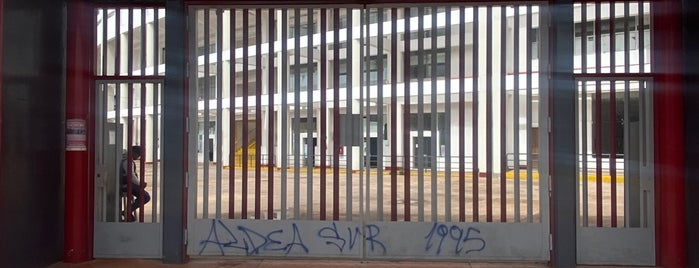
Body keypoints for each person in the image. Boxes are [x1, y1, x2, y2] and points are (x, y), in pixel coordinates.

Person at [120, 145, 151, 222]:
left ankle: (128, 212)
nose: (138, 157)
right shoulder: (128, 161)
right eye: (138, 155)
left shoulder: (124, 158)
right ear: (134, 153)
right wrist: (140, 184)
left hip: (126, 184)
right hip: (126, 185)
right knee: (145, 196)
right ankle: (127, 211)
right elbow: (131, 176)